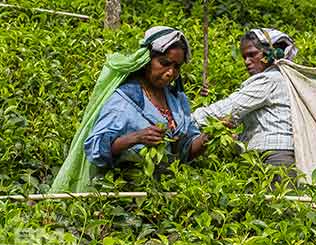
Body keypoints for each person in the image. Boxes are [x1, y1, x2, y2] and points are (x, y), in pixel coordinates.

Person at [50, 26, 208, 193]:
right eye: (164, 63)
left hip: (166, 195)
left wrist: (209, 137)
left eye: (177, 67)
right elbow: (95, 149)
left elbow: (185, 151)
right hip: (123, 195)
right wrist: (136, 138)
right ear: (147, 59)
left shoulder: (177, 100)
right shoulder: (123, 100)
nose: (170, 72)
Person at [192, 28, 299, 171]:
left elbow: (230, 108)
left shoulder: (269, 80)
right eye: (244, 57)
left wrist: (187, 122)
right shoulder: (280, 78)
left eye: (252, 55)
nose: (247, 62)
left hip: (275, 158)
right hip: (269, 155)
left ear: (270, 53)